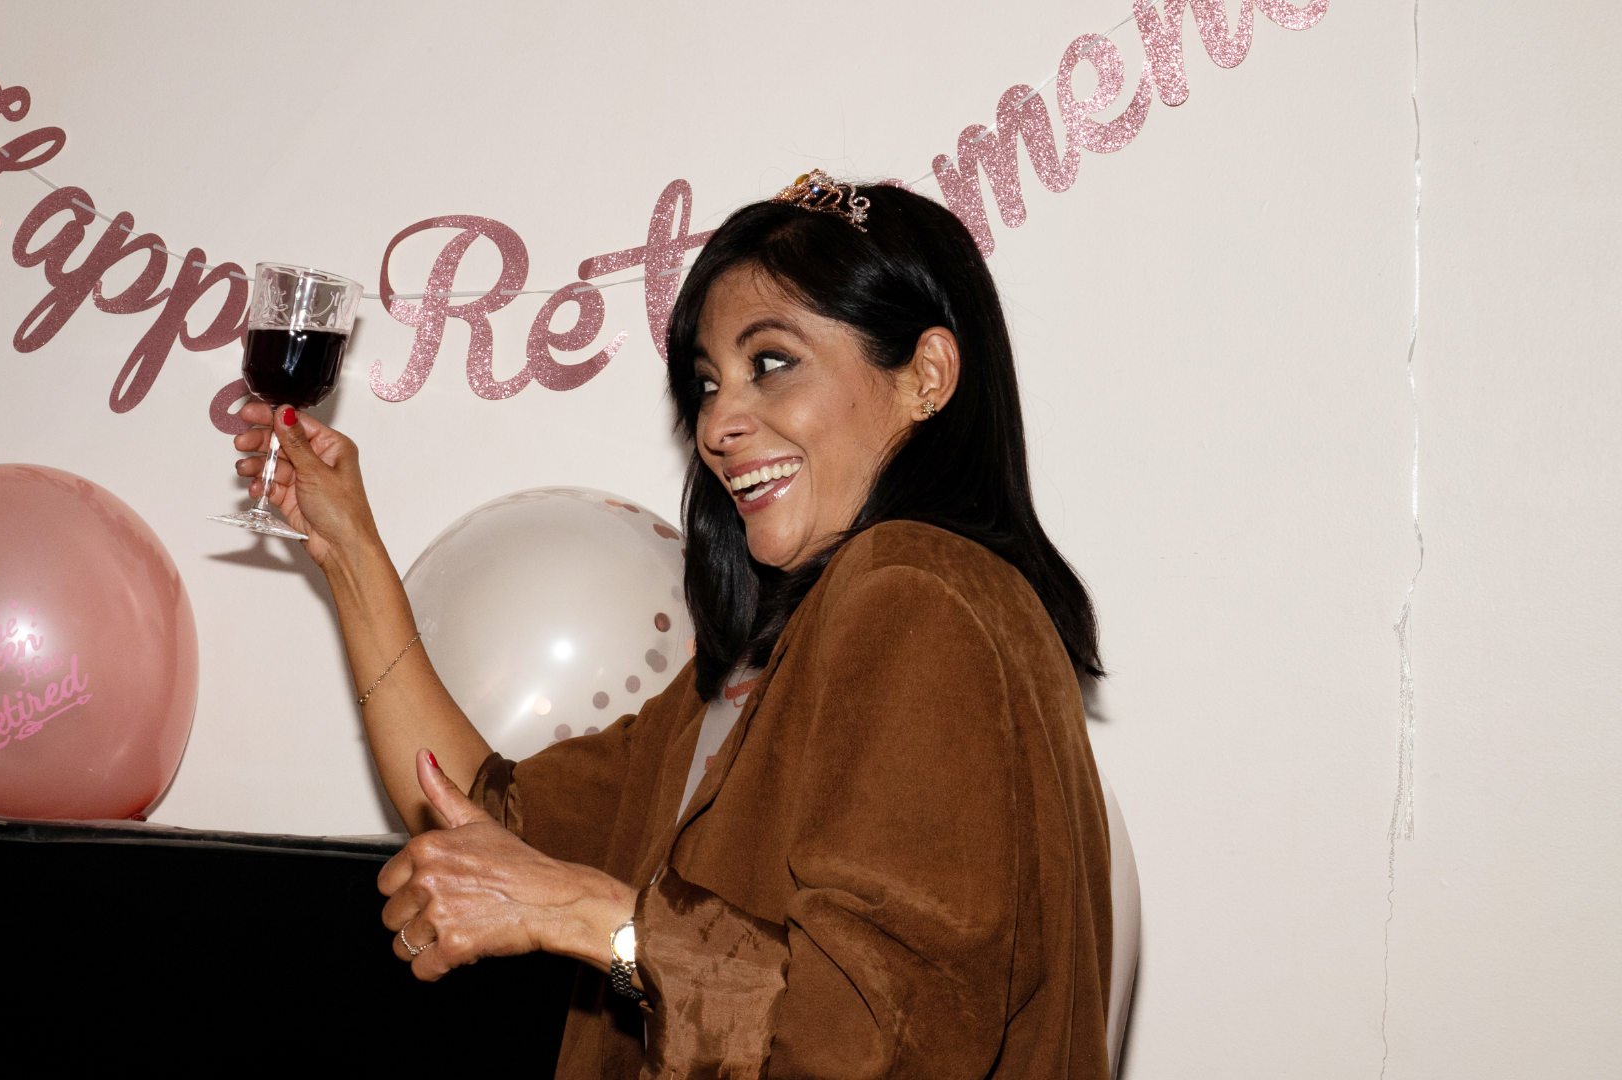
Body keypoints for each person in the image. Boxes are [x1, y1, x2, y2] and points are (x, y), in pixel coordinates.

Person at [231, 172, 1113, 1078]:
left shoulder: (916, 594)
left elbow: (874, 1041)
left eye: (772, 363)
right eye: (706, 381)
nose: (720, 421)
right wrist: (347, 548)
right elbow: (482, 817)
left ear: (926, 376)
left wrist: (583, 916)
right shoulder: (765, 671)